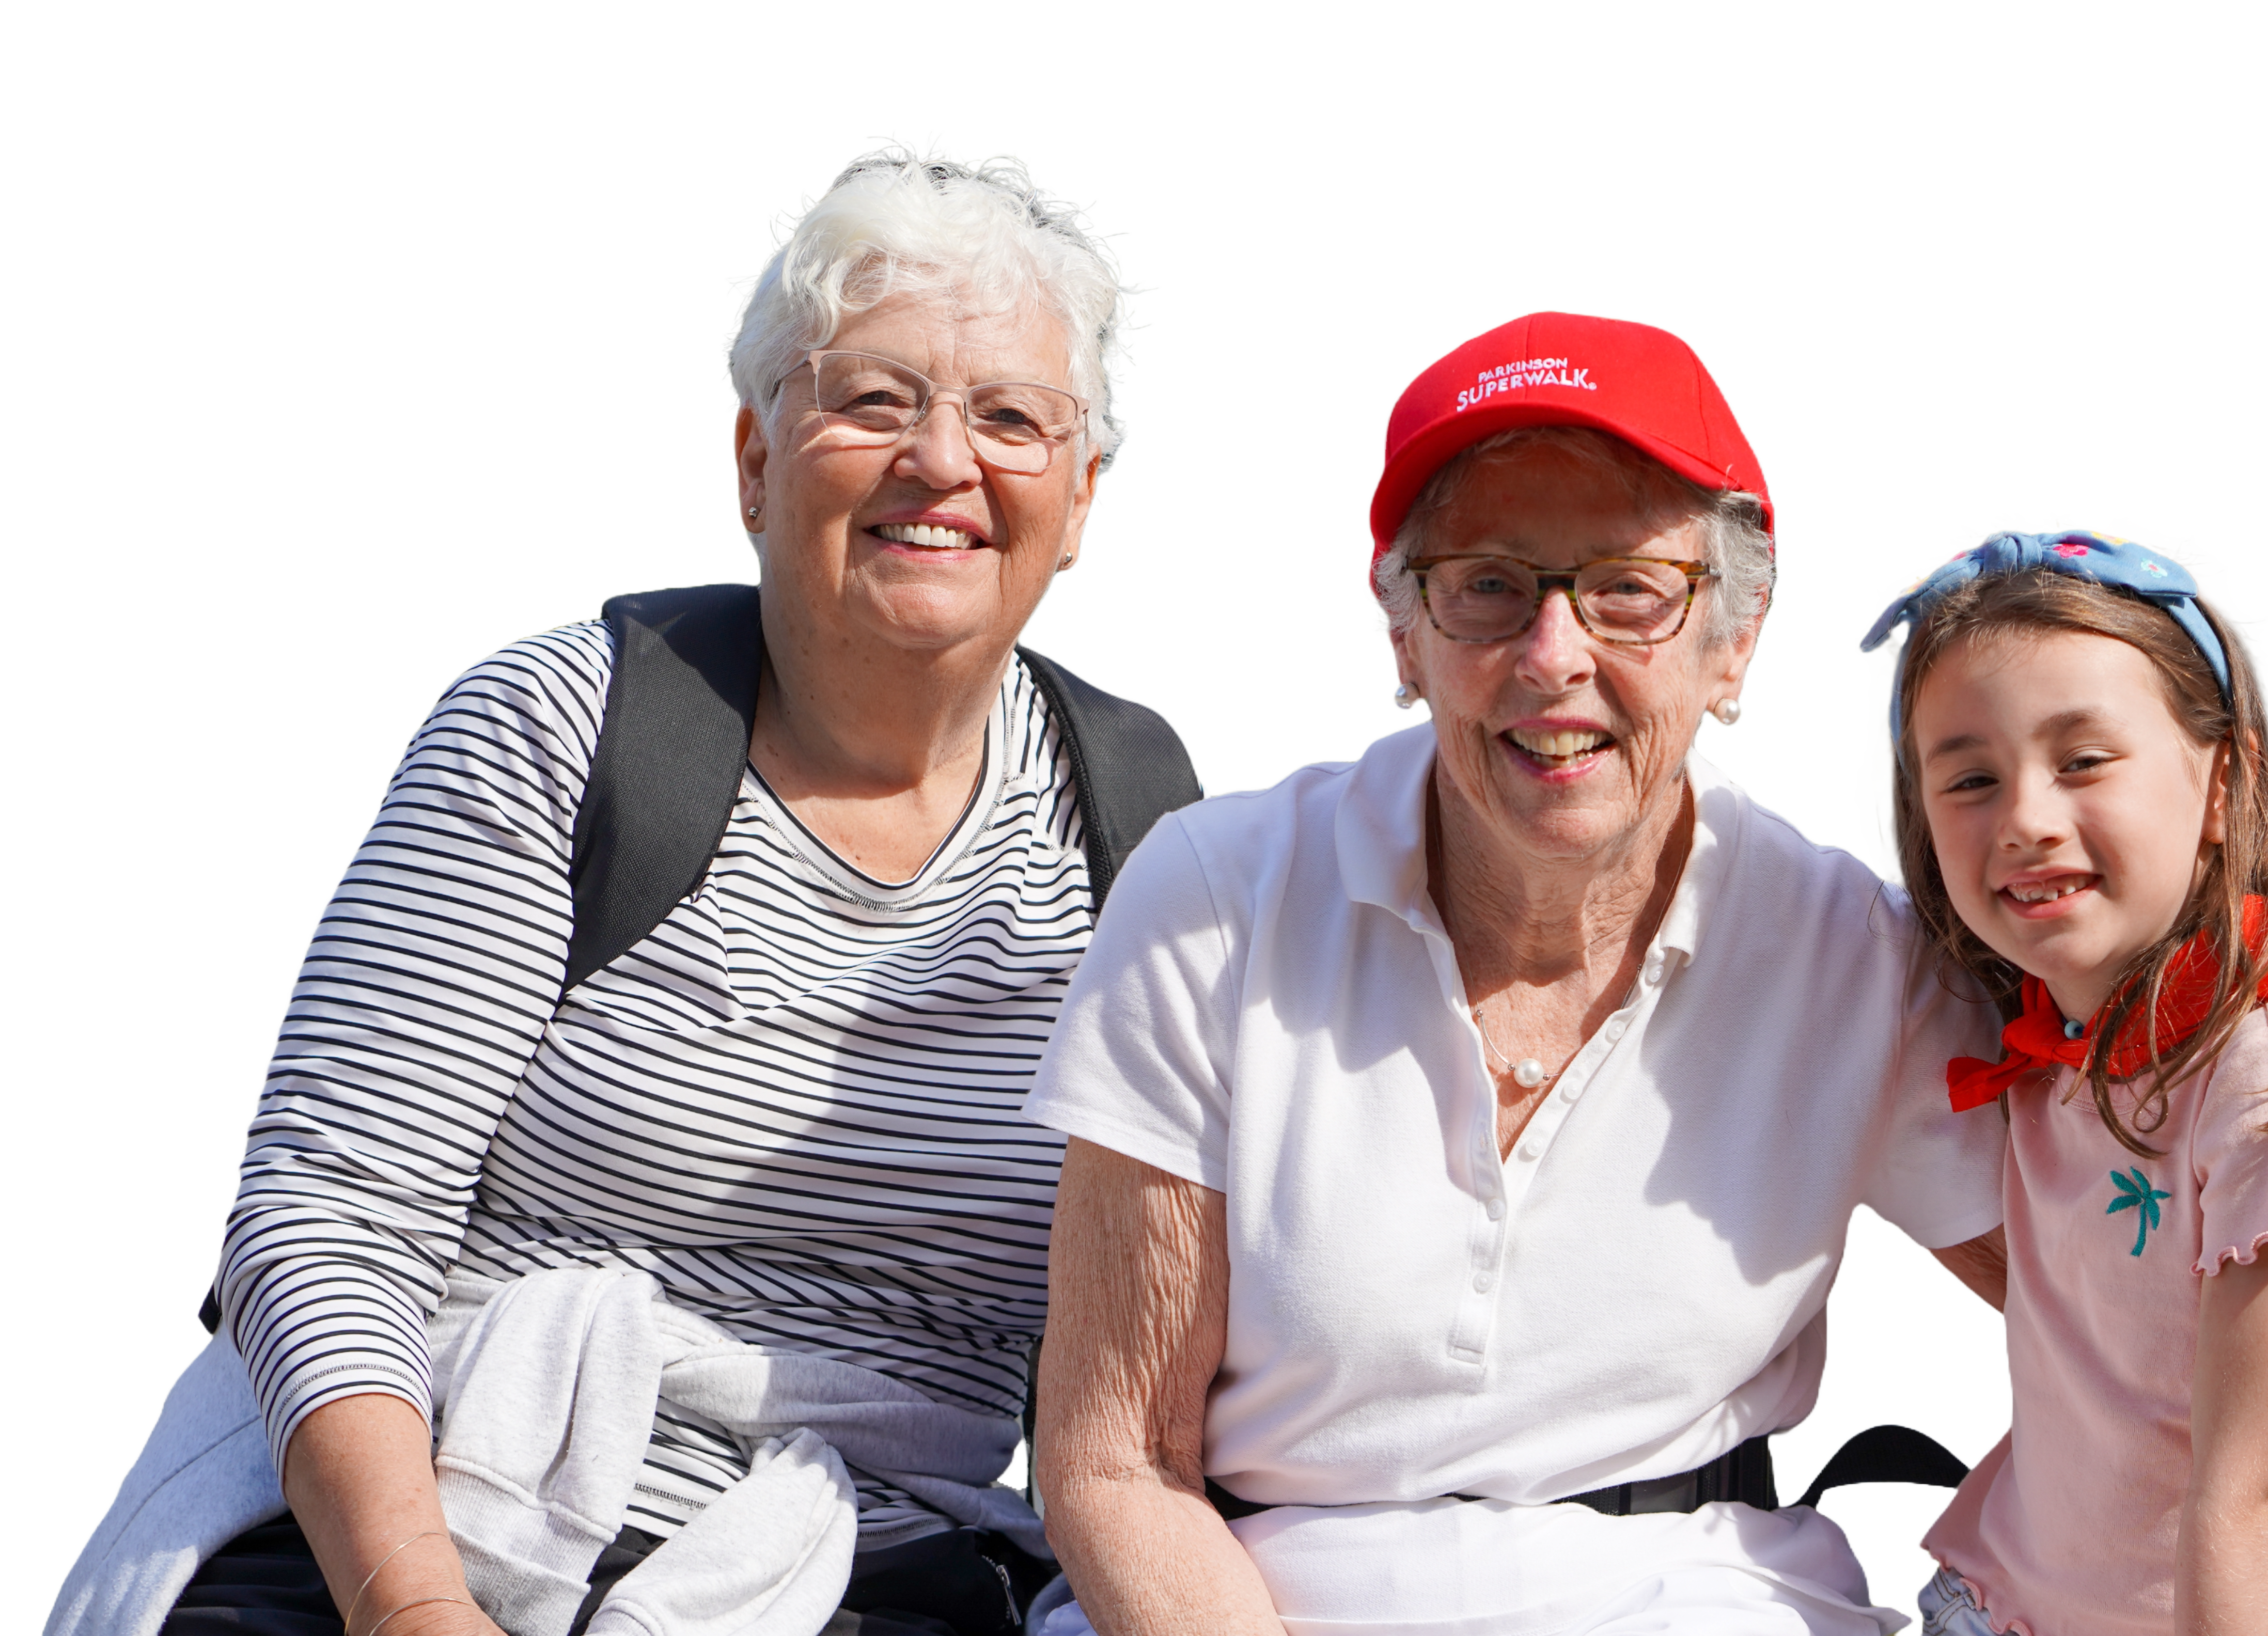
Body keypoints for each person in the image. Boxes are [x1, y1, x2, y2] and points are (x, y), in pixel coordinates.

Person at [52, 143, 1192, 1636]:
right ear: (755, 461)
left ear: (1084, 493)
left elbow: (1189, 1374)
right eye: (873, 399)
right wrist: (415, 1612)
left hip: (881, 1573)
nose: (940, 462)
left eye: (1010, 420)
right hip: (422, 1514)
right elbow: (329, 1217)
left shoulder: (1149, 845)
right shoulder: (562, 729)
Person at [1024, 312, 2019, 1636]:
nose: (1553, 657)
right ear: (1404, 636)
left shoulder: (1849, 951)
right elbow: (1117, 1460)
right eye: (1487, 586)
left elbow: (2123, 1323)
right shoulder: (1214, 899)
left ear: (1733, 642)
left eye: (1628, 589)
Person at [1862, 533, 2268, 1636]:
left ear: (2225, 785)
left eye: (2083, 760)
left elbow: (2257, 1489)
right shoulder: (2051, 1039)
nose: (2024, 814)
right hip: (2004, 1601)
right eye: (1971, 777)